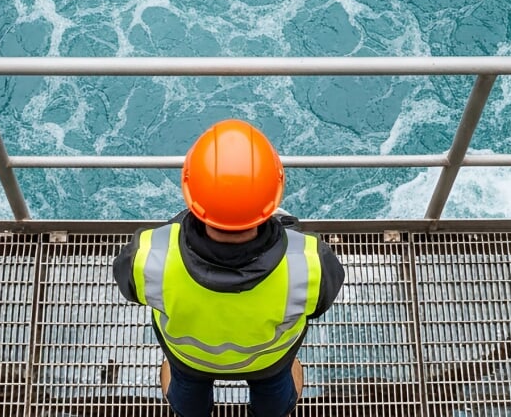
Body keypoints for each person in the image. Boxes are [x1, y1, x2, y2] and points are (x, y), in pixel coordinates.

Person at [112, 119, 346, 417]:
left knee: (187, 395)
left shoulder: (147, 254)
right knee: (275, 395)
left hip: (189, 358)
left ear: (191, 192)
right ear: (273, 193)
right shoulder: (311, 261)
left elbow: (130, 288)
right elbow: (321, 302)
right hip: (268, 360)